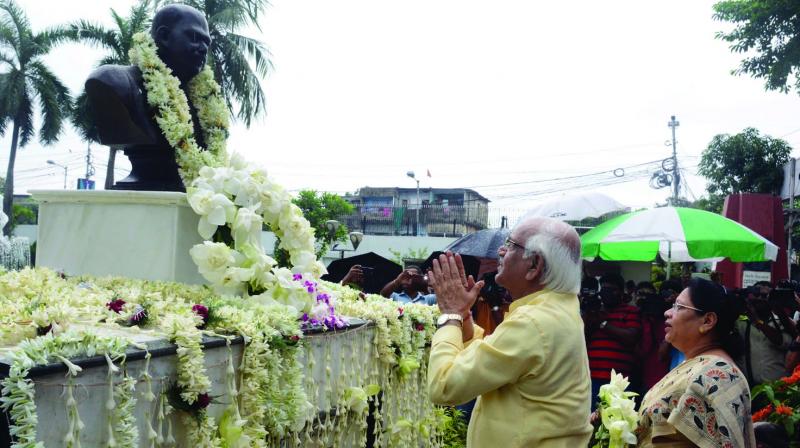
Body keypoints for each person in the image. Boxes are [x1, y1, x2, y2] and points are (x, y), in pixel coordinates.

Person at [426, 217, 592, 447]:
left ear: (535, 265)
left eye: (512, 245)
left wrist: (450, 315)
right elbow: (496, 359)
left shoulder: (533, 321)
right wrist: (463, 316)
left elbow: (444, 386)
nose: (501, 251)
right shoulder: (557, 308)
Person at [85, 4, 211, 191]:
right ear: (164, 36)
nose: (203, 49)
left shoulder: (203, 104)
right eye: (194, 38)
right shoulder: (113, 81)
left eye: (206, 43)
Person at [637, 278, 755, 447]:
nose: (668, 312)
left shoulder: (719, 374)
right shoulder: (695, 363)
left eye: (679, 307)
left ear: (707, 321)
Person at [584, 272, 641, 409]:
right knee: (593, 422)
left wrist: (603, 323)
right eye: (604, 290)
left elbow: (631, 337)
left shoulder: (631, 311)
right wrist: (590, 317)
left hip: (619, 379)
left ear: (621, 292)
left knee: (617, 422)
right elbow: (583, 339)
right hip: (593, 377)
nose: (607, 293)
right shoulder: (594, 311)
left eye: (612, 290)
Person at [736, 282, 797, 385]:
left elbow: (782, 342)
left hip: (778, 388)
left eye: (765, 296)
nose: (760, 298)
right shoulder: (740, 322)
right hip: (749, 388)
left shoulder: (781, 322)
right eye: (756, 294)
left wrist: (758, 321)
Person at [636, 282, 670, 392]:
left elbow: (647, 348)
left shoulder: (663, 324)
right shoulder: (641, 319)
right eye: (641, 294)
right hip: (646, 375)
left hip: (657, 376)